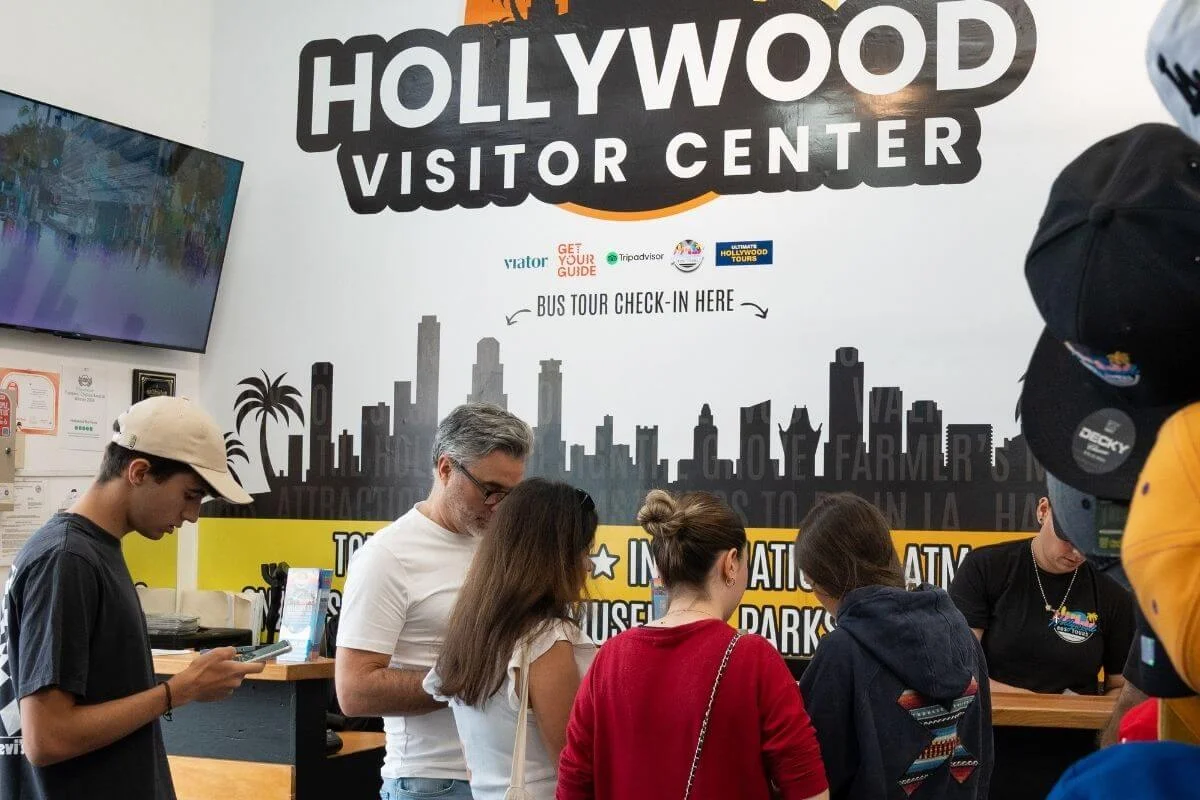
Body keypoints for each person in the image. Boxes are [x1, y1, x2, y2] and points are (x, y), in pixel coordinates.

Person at [0, 396, 266, 800]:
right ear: (139, 472)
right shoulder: (67, 559)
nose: (192, 515)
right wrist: (179, 691)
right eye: (190, 495)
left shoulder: (92, 551)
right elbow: (47, 737)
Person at [556, 490, 829, 800]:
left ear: (662, 571)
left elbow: (572, 785)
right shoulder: (755, 659)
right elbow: (810, 791)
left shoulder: (609, 659)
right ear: (730, 564)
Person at [335, 403, 533, 800]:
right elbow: (354, 691)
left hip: (505, 778)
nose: (499, 506)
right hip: (432, 782)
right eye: (490, 490)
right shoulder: (387, 556)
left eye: (511, 495)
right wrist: (468, 683)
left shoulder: (502, 547)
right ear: (446, 469)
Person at [794, 493, 992, 800]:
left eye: (811, 583)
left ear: (825, 579)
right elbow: (984, 753)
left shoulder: (842, 651)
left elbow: (815, 775)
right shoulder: (963, 635)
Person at [423, 479, 598, 799]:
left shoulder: (470, 632)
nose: (587, 565)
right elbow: (574, 769)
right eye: (584, 551)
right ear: (555, 557)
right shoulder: (546, 642)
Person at [949, 495, 1134, 696]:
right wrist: (1035, 704)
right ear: (1043, 511)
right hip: (995, 713)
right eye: (1068, 537)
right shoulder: (984, 567)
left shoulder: (1112, 587)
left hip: (1079, 716)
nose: (1077, 552)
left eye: (1088, 542)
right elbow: (960, 670)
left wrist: (1085, 712)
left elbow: (1120, 686)